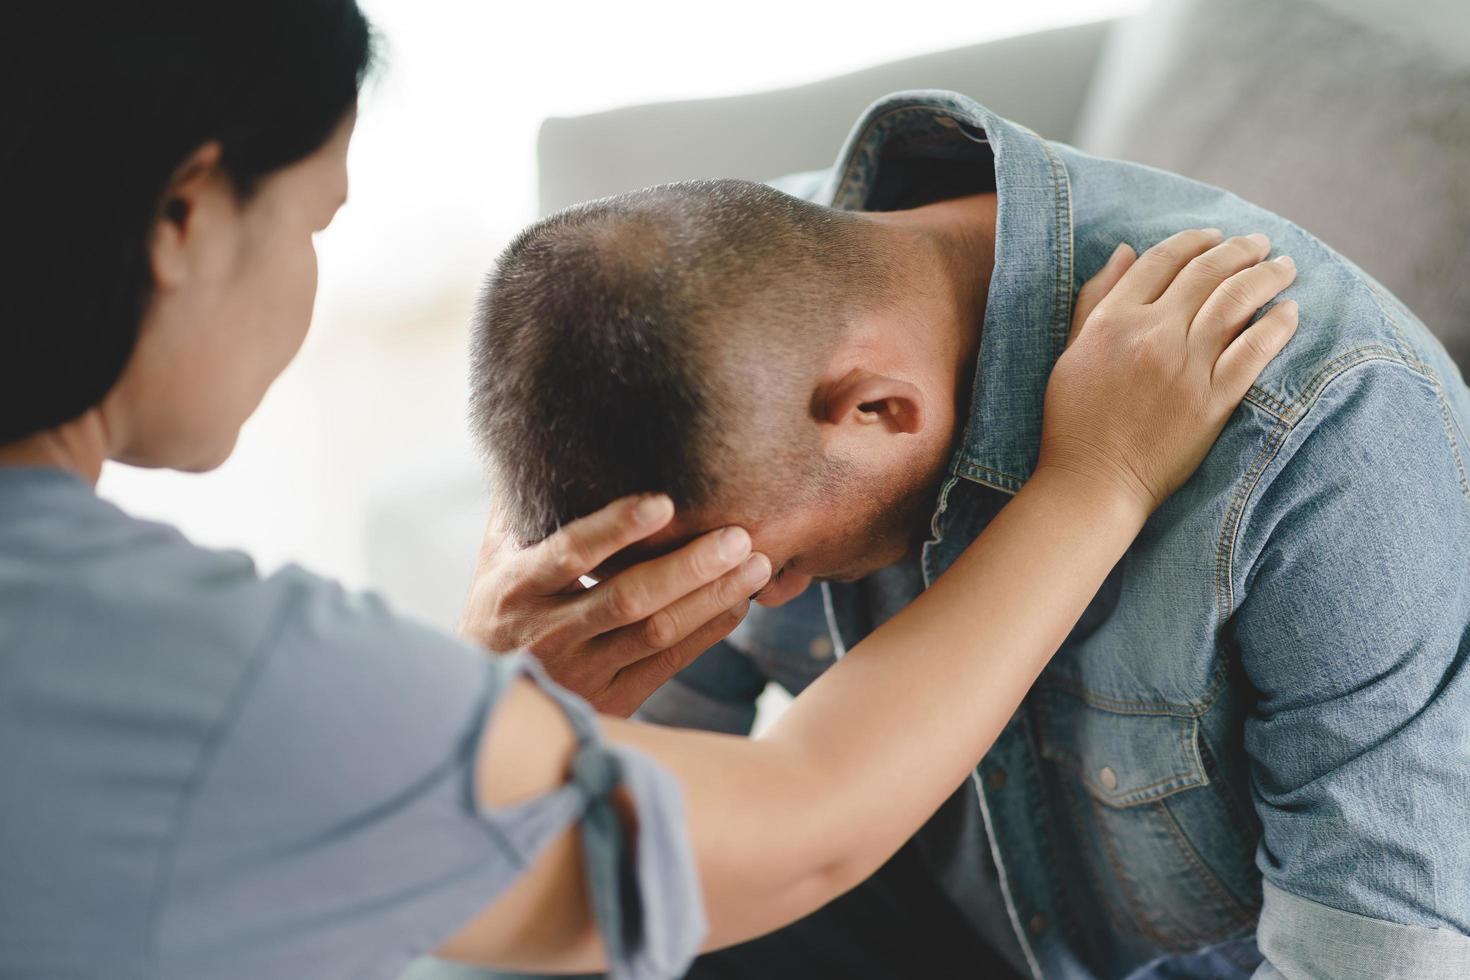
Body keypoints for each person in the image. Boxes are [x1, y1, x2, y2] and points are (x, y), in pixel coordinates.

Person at [0, 7, 1299, 980]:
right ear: (182, 216)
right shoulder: (206, 672)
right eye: (312, 224)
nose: (312, 280)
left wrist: (455, 727)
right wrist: (1097, 479)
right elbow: (801, 828)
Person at [467, 92, 1470, 978]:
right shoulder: (701, 339)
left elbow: (1374, 953)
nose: (759, 598)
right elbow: (645, 832)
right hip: (932, 909)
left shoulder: (1312, 416)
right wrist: (515, 717)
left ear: (875, 410)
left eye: (770, 561)